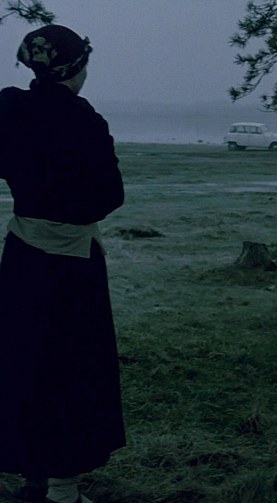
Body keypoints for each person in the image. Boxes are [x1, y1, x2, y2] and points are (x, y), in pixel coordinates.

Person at [0, 25, 125, 503]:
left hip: (22, 256)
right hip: (71, 265)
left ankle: (34, 474)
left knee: (23, 359)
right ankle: (63, 489)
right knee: (71, 367)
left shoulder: (10, 109)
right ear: (75, 68)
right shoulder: (84, 121)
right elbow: (109, 197)